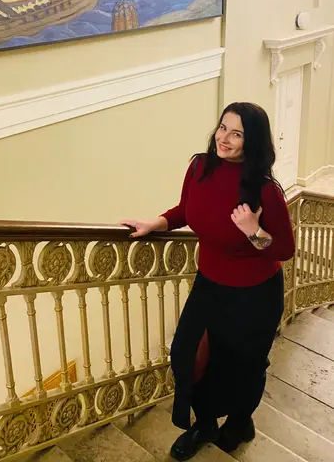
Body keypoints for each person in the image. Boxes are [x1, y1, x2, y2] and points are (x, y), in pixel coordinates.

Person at [121, 103, 295, 461]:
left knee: (244, 365)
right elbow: (186, 209)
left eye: (236, 133)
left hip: (255, 294)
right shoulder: (199, 166)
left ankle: (239, 422)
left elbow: (285, 249)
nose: (224, 138)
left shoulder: (265, 190)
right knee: (186, 354)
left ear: (252, 141)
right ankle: (204, 424)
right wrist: (157, 223)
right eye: (222, 127)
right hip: (210, 283)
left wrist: (254, 231)